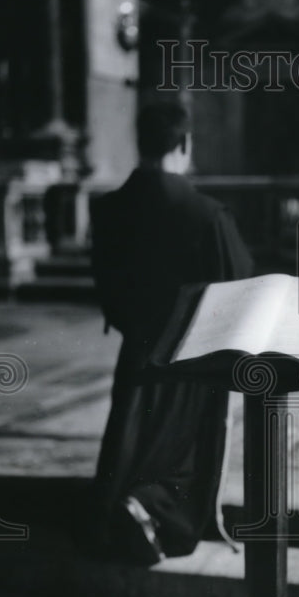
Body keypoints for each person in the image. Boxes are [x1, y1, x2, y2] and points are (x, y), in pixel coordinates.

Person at [90, 102, 253, 563]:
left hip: (136, 352)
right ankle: (150, 512)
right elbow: (237, 285)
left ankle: (120, 509)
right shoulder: (205, 214)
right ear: (184, 145)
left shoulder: (109, 210)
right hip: (190, 359)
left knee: (129, 442)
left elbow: (109, 291)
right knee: (181, 454)